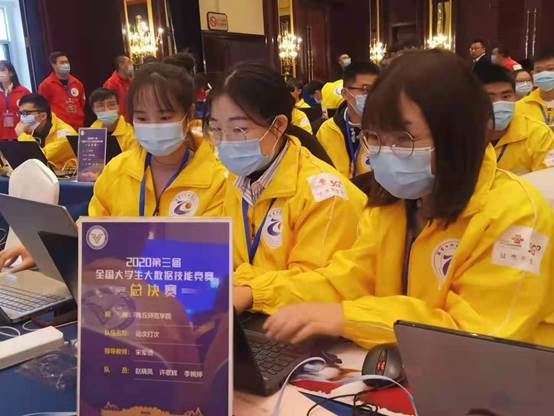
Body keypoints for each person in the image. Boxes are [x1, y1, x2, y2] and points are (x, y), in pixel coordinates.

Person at [260, 50, 554, 349]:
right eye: (374, 137)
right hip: (405, 360)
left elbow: (477, 334)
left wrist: (349, 318)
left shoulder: (516, 214)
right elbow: (347, 278)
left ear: (457, 135)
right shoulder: (395, 203)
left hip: (505, 373)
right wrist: (256, 292)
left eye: (404, 139)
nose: (385, 153)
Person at [204, 63, 367, 312]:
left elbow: (318, 285)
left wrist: (247, 287)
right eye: (216, 129)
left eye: (239, 129)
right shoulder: (237, 178)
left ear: (278, 125)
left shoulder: (326, 196)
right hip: (252, 316)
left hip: (305, 321)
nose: (225, 142)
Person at [89, 63, 226, 217]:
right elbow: (95, 227)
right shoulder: (115, 171)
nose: (153, 126)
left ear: (189, 114)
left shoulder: (217, 181)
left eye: (165, 117)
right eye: (142, 118)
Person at [474, 63, 554, 174]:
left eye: (506, 96)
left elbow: (548, 180)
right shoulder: (463, 136)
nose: (499, 103)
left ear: (515, 96)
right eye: (489, 98)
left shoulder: (538, 134)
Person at [317, 62, 380, 178]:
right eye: (366, 89)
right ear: (345, 94)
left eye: (377, 89)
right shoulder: (327, 130)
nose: (373, 95)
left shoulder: (389, 128)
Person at [16, 93, 76, 170]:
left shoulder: (66, 135)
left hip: (66, 176)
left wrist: (22, 135)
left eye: (26, 113)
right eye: (20, 113)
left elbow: (39, 158)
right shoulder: (32, 130)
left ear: (43, 116)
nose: (22, 118)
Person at [38, 51, 85, 129]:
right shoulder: (46, 85)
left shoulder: (77, 83)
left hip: (78, 126)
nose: (66, 65)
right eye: (62, 62)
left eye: (67, 62)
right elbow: (42, 107)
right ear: (53, 65)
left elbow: (82, 103)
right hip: (59, 128)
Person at [88, 88, 136, 152]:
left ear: (118, 106)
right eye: (100, 106)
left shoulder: (132, 134)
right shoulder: (90, 132)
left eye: (111, 104)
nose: (107, 109)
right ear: (93, 110)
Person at [516, 49, 554, 129]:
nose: (544, 74)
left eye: (550, 69)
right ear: (533, 74)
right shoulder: (519, 107)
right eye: (539, 71)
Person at [0, 61, 30, 140]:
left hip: (20, 135)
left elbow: (31, 114)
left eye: (2, 70)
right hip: (1, 136)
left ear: (11, 73)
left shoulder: (23, 92)